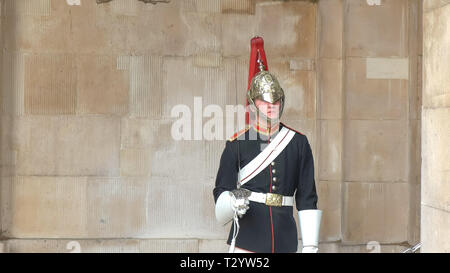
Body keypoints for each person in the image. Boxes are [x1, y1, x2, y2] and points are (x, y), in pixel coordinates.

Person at [213, 37, 322, 253]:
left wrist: (310, 245)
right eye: (264, 102)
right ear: (253, 105)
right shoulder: (237, 144)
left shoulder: (298, 143)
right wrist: (232, 202)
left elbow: (307, 196)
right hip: (248, 236)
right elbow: (221, 190)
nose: (271, 107)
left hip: (285, 237)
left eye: (275, 101)